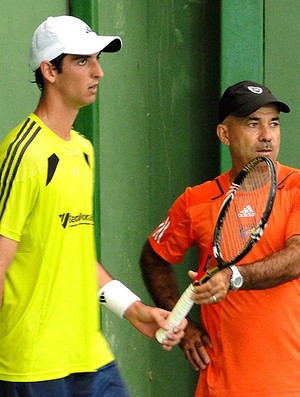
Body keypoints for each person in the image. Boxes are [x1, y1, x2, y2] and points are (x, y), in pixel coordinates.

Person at [0, 15, 187, 397]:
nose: (98, 72)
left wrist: (135, 311)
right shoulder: (23, 154)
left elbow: (77, 258)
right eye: (83, 61)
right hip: (33, 368)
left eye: (97, 60)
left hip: (91, 359)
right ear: (49, 70)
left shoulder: (82, 151)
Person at [140, 80, 300, 396]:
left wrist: (233, 277)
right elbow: (154, 257)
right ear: (224, 134)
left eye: (274, 123)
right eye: (253, 123)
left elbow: (297, 257)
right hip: (222, 387)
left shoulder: (297, 187)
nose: (267, 135)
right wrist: (181, 325)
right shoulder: (195, 201)